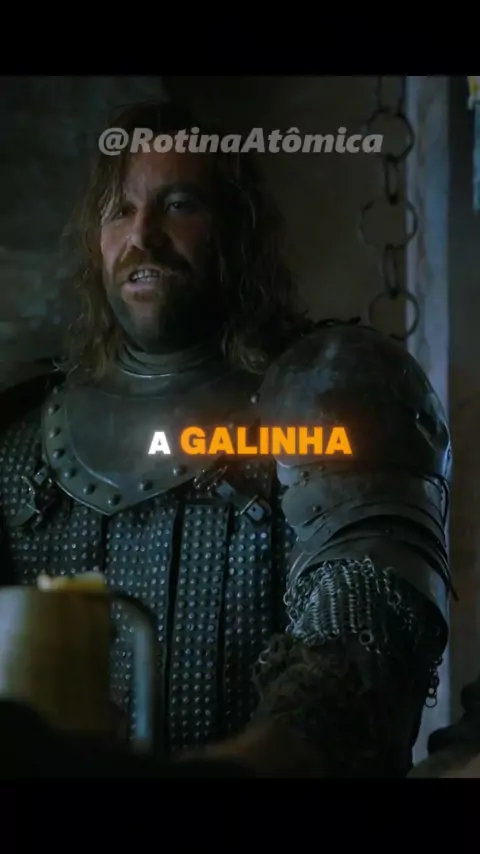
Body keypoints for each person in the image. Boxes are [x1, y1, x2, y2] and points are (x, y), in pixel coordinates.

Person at [0, 100, 452, 778]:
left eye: (178, 205)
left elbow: (366, 619)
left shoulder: (332, 393)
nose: (143, 236)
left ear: (237, 232)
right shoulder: (20, 438)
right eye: (120, 211)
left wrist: (244, 769)